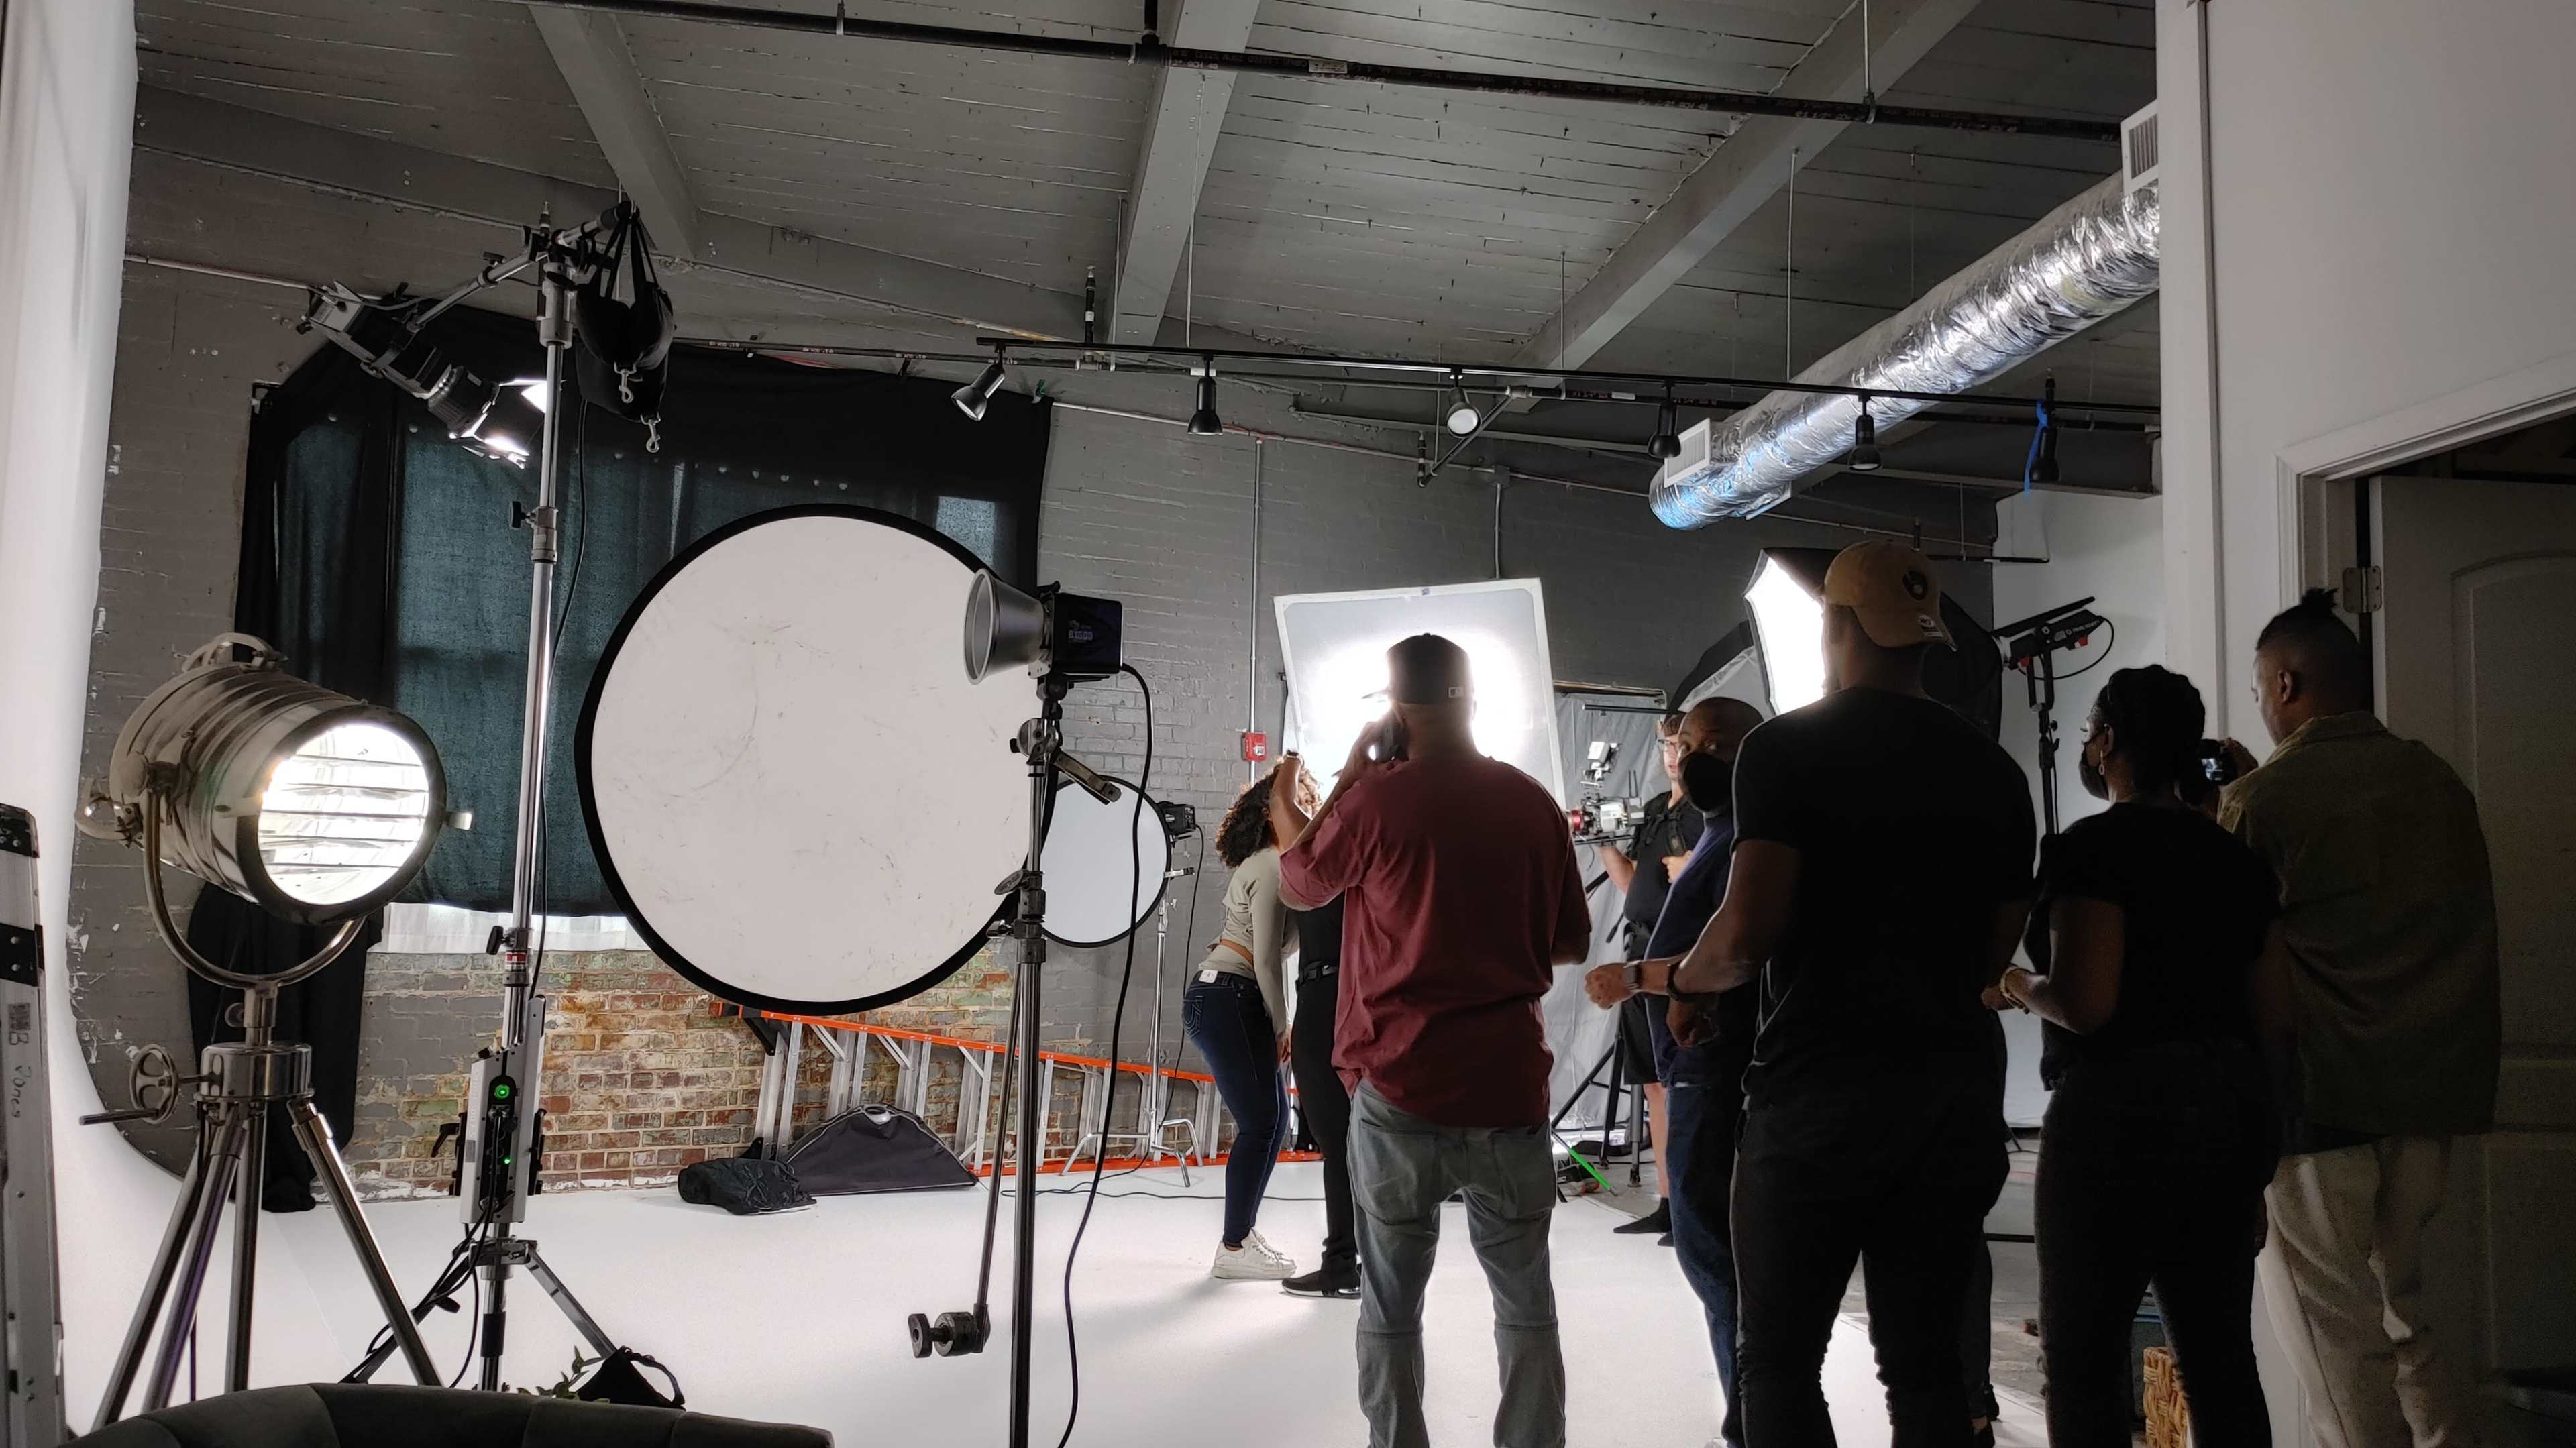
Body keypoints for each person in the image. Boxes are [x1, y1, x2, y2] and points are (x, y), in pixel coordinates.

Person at [1658, 541, 2035, 1445]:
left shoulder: (1786, 749)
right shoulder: (1995, 769)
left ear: (1833, 625)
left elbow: (1745, 935)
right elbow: (1995, 954)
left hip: (1817, 1095)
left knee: (1779, 1359)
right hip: (1950, 1097)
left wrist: (1679, 978)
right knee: (1927, 1368)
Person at [1277, 633, 1592, 1448]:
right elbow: (1568, 944)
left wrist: (1349, 773)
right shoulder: (1531, 802)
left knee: (1391, 1305)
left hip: (1400, 1082)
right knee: (1526, 1304)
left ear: (1394, 707)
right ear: (1473, 697)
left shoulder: (1377, 799)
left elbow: (1299, 875)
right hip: (1507, 1087)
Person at [2219, 590, 2500, 1448]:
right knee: (2407, 1313)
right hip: (2428, 1097)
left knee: (2331, 1332)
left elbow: (2231, 958)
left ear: (2289, 680)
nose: (2263, 708)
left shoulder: (2266, 799)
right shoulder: (2440, 781)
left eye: (2264, 689)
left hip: (2318, 1102)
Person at [1991, 665, 2290, 1446]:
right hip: (2227, 1115)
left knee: (2085, 1362)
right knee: (2221, 1360)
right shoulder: (2239, 863)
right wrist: (2256, 1162)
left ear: (2111, 741)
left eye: (2092, 731)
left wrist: (2018, 982)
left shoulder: (2093, 849)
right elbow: (2274, 1021)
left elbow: (2088, 1002)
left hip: (2115, 1121)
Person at [1582, 695, 1764, 1447]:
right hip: (1692, 1061)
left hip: (1718, 1069)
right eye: (1688, 739)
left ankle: (1753, 1411)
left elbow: (1732, 955)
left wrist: (1641, 977)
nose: (1696, 753)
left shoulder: (1744, 842)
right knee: (1708, 1249)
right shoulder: (1722, 830)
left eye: (1718, 740)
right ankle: (1749, 1407)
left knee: (1715, 1254)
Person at [1185, 763, 1313, 1282]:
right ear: (1272, 811)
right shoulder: (1268, 865)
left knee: (1274, 1121)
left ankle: (1242, 1235)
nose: (1306, 809)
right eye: (1297, 799)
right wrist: (1285, 1024)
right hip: (1228, 996)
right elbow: (1265, 958)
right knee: (1263, 1123)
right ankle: (1234, 1245)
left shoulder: (1284, 865)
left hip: (1235, 998)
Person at [1589, 712, 1701, 1241]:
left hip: (1680, 962)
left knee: (1683, 1084)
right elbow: (1632, 882)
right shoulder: (1657, 812)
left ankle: (1692, 1201)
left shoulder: (1709, 812)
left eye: (1681, 743)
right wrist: (1602, 842)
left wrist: (1696, 865)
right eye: (1665, 745)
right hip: (1639, 954)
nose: (1672, 754)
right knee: (1655, 1084)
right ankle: (1668, 1201)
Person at [1267, 767, 1360, 1299]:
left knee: (1338, 1142)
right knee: (1354, 1140)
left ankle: (1342, 1262)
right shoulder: (1364, 857)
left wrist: (1299, 760)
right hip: (1349, 997)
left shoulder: (1318, 855)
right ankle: (1356, 1258)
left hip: (1326, 1000)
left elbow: (1282, 797)